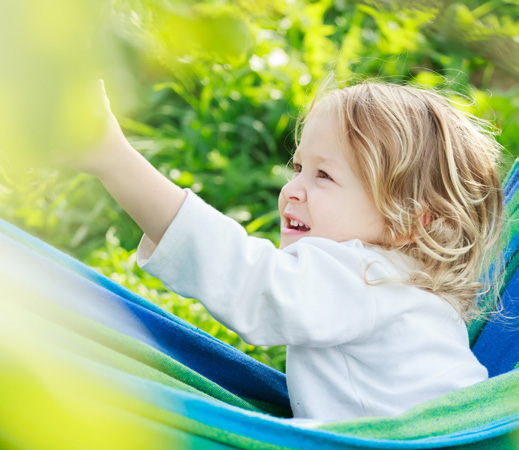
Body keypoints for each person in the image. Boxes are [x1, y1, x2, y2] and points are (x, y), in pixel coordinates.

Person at [74, 80, 503, 421]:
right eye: (298, 168)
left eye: (323, 176)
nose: (292, 190)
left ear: (410, 220)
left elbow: (251, 282)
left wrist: (116, 161)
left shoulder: (367, 275)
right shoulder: (411, 290)